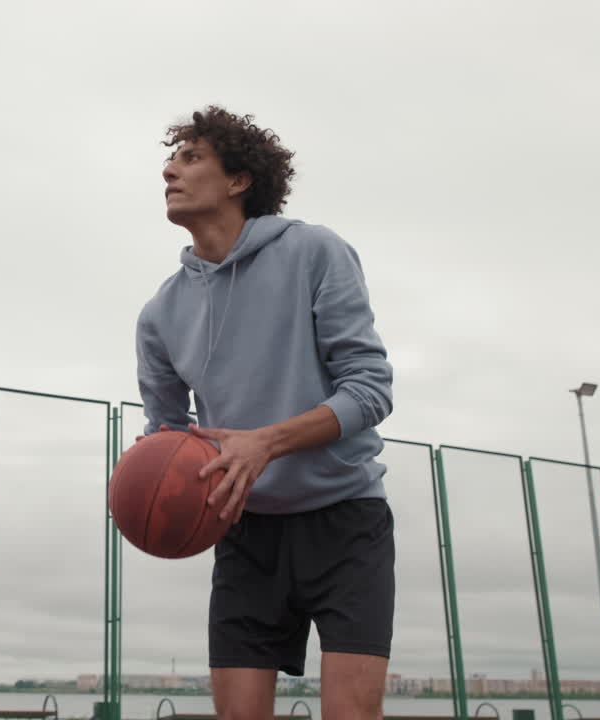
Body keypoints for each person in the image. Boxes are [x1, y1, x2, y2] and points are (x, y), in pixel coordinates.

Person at [135, 106, 396, 720]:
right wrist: (149, 495)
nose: (169, 170)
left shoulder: (315, 252)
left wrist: (267, 443)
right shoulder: (159, 315)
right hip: (246, 533)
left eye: (191, 157)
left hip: (345, 520)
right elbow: (167, 440)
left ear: (239, 180)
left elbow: (371, 388)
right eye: (170, 160)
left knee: (352, 715)